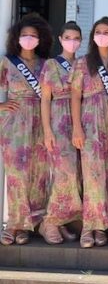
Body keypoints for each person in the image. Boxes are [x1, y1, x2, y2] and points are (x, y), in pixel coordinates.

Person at [71, 17, 108, 248]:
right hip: (90, 120)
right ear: (93, 36)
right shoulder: (83, 63)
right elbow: (75, 96)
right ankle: (90, 225)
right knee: (93, 175)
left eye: (107, 32)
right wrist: (76, 127)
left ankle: (107, 225)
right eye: (98, 31)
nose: (103, 35)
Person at [0, 14, 52, 246]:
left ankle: (31, 223)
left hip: (41, 120)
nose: (29, 38)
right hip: (15, 122)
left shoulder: (46, 64)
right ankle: (14, 223)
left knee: (39, 173)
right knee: (17, 174)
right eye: (24, 35)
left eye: (33, 35)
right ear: (16, 38)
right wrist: (1, 105)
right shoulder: (7, 62)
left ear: (41, 39)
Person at [39, 21, 83, 244]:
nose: (72, 42)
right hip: (58, 121)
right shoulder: (51, 65)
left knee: (77, 175)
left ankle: (62, 220)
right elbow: (45, 99)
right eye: (68, 38)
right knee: (63, 173)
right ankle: (49, 222)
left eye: (76, 38)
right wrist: (47, 130)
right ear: (60, 39)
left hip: (81, 120)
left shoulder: (83, 64)